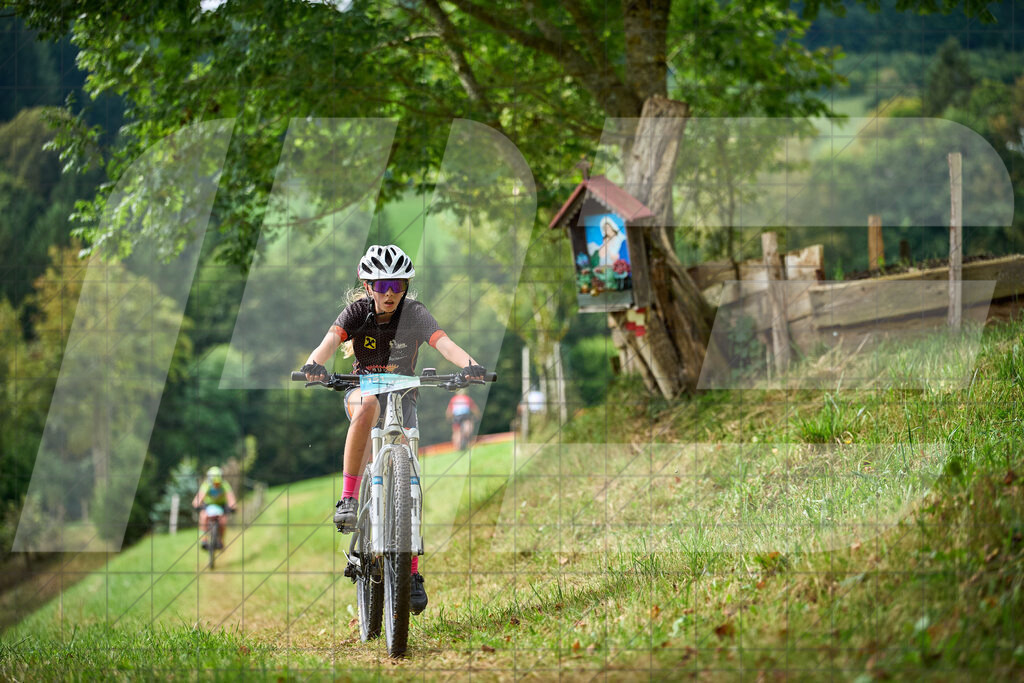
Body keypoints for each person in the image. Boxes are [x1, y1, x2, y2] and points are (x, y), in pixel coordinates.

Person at [300, 244, 485, 616]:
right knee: (367, 405)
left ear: (405, 285)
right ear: (368, 286)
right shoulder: (357, 312)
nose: (389, 292)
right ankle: (349, 498)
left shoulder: (415, 313)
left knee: (410, 479)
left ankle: (412, 571)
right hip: (362, 389)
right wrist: (312, 364)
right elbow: (331, 341)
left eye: (397, 283)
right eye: (382, 283)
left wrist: (471, 365)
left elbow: (443, 343)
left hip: (403, 395)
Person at [192, 466, 237, 550]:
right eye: (215, 483)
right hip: (208, 505)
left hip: (221, 505)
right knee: (203, 517)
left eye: (218, 483)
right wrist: (196, 504)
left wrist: (233, 506)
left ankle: (220, 540)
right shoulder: (206, 485)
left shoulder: (225, 485)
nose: (217, 485)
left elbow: (230, 497)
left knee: (223, 520)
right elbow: (199, 497)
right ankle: (204, 540)